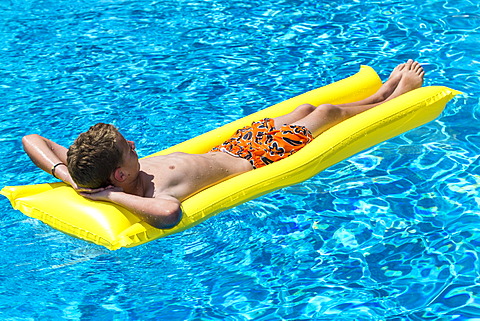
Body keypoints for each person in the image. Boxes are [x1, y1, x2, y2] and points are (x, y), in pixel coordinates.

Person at [22, 60, 425, 229]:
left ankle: (377, 95)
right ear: (120, 175)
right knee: (324, 115)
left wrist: (69, 178)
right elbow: (168, 214)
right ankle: (389, 98)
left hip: (236, 144)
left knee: (305, 105)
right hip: (259, 158)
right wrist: (109, 198)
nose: (133, 142)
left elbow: (32, 139)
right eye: (128, 148)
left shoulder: (114, 173)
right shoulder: (147, 192)